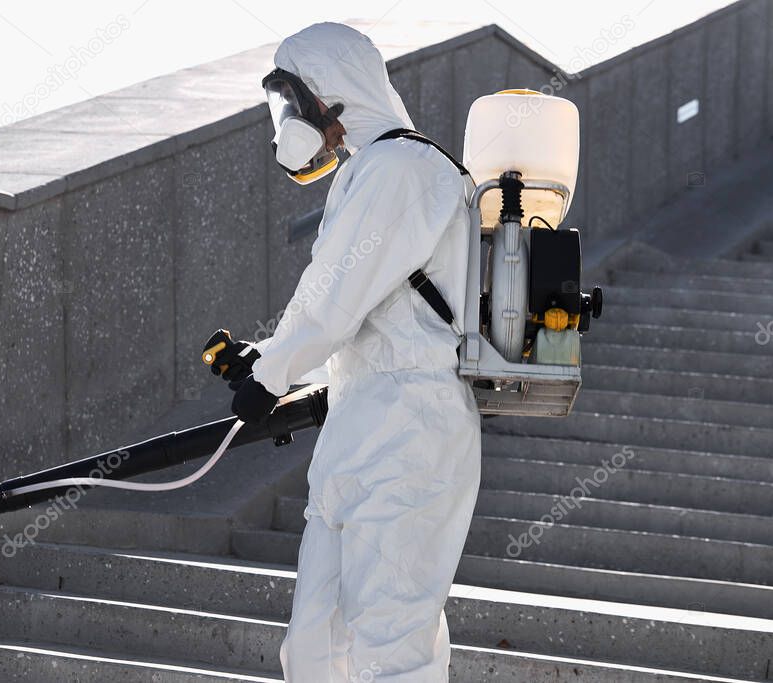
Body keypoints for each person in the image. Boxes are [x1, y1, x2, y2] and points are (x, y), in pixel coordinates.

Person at [205, 22, 481, 682]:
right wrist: (267, 357)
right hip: (363, 427)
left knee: (392, 643)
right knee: (316, 646)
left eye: (292, 102)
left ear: (331, 95)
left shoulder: (404, 167)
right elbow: (357, 308)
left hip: (411, 432)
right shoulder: (370, 171)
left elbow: (333, 293)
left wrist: (272, 372)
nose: (289, 122)